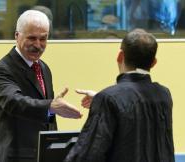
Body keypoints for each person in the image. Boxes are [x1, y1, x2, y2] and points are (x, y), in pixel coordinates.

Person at [65, 29, 175, 162]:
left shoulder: (109, 98)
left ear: (120, 56)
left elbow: (89, 154)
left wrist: (104, 101)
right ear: (153, 62)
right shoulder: (164, 95)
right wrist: (103, 100)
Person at [0, 10, 82, 162]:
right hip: (17, 157)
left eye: (43, 38)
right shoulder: (3, 70)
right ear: (17, 36)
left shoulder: (43, 67)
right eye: (32, 38)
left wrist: (52, 114)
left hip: (45, 154)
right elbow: (14, 102)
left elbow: (46, 116)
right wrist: (50, 106)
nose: (38, 45)